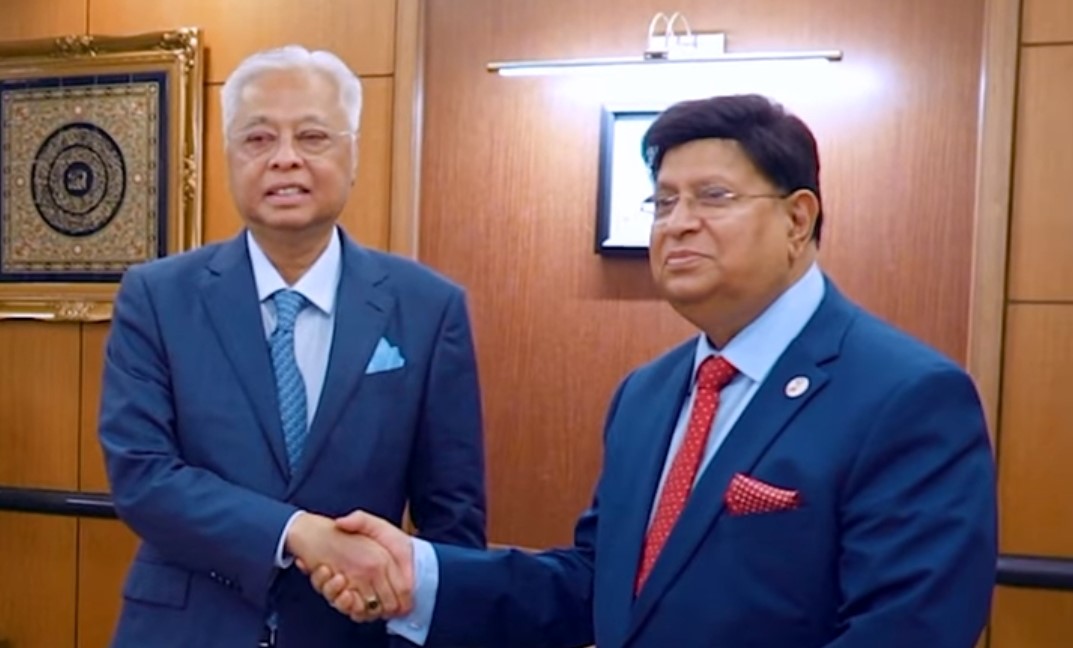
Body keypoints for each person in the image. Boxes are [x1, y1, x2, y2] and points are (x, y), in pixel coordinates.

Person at [309, 93, 998, 647]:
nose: (678, 223)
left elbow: (909, 630)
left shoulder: (906, 396)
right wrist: (418, 573)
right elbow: (597, 585)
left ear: (798, 219)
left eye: (713, 197)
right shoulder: (647, 394)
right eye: (664, 202)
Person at [97, 45, 486, 648]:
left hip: (352, 631)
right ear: (229, 156)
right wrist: (300, 532)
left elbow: (453, 517)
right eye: (258, 139)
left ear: (353, 154)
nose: (284, 159)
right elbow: (142, 477)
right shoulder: (157, 297)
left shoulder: (428, 308)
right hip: (186, 629)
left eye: (312, 136)